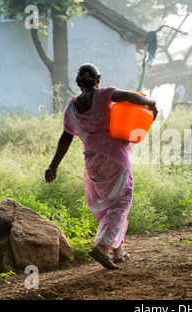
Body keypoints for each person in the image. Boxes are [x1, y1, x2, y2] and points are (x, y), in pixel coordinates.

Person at [45, 63, 158, 270]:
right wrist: (151, 103)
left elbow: (66, 137)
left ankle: (118, 252)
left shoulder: (70, 109)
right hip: (115, 159)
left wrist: (53, 165)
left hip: (93, 164)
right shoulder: (104, 94)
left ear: (78, 84)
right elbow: (128, 95)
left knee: (109, 206)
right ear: (98, 79)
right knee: (121, 202)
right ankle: (102, 247)